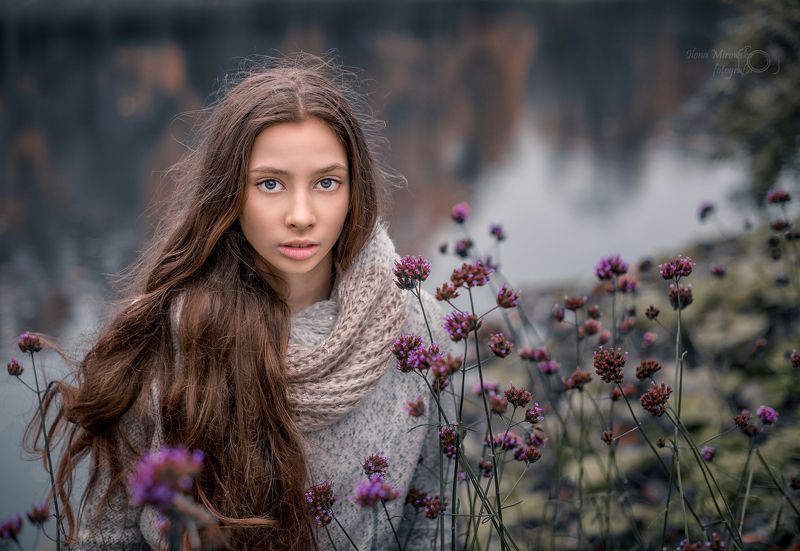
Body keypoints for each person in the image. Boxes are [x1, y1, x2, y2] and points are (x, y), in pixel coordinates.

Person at [30, 53, 455, 550]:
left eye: (326, 182)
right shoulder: (163, 332)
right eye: (270, 184)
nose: (301, 215)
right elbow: (107, 538)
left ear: (353, 190)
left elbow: (431, 527)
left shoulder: (418, 328)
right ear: (230, 193)